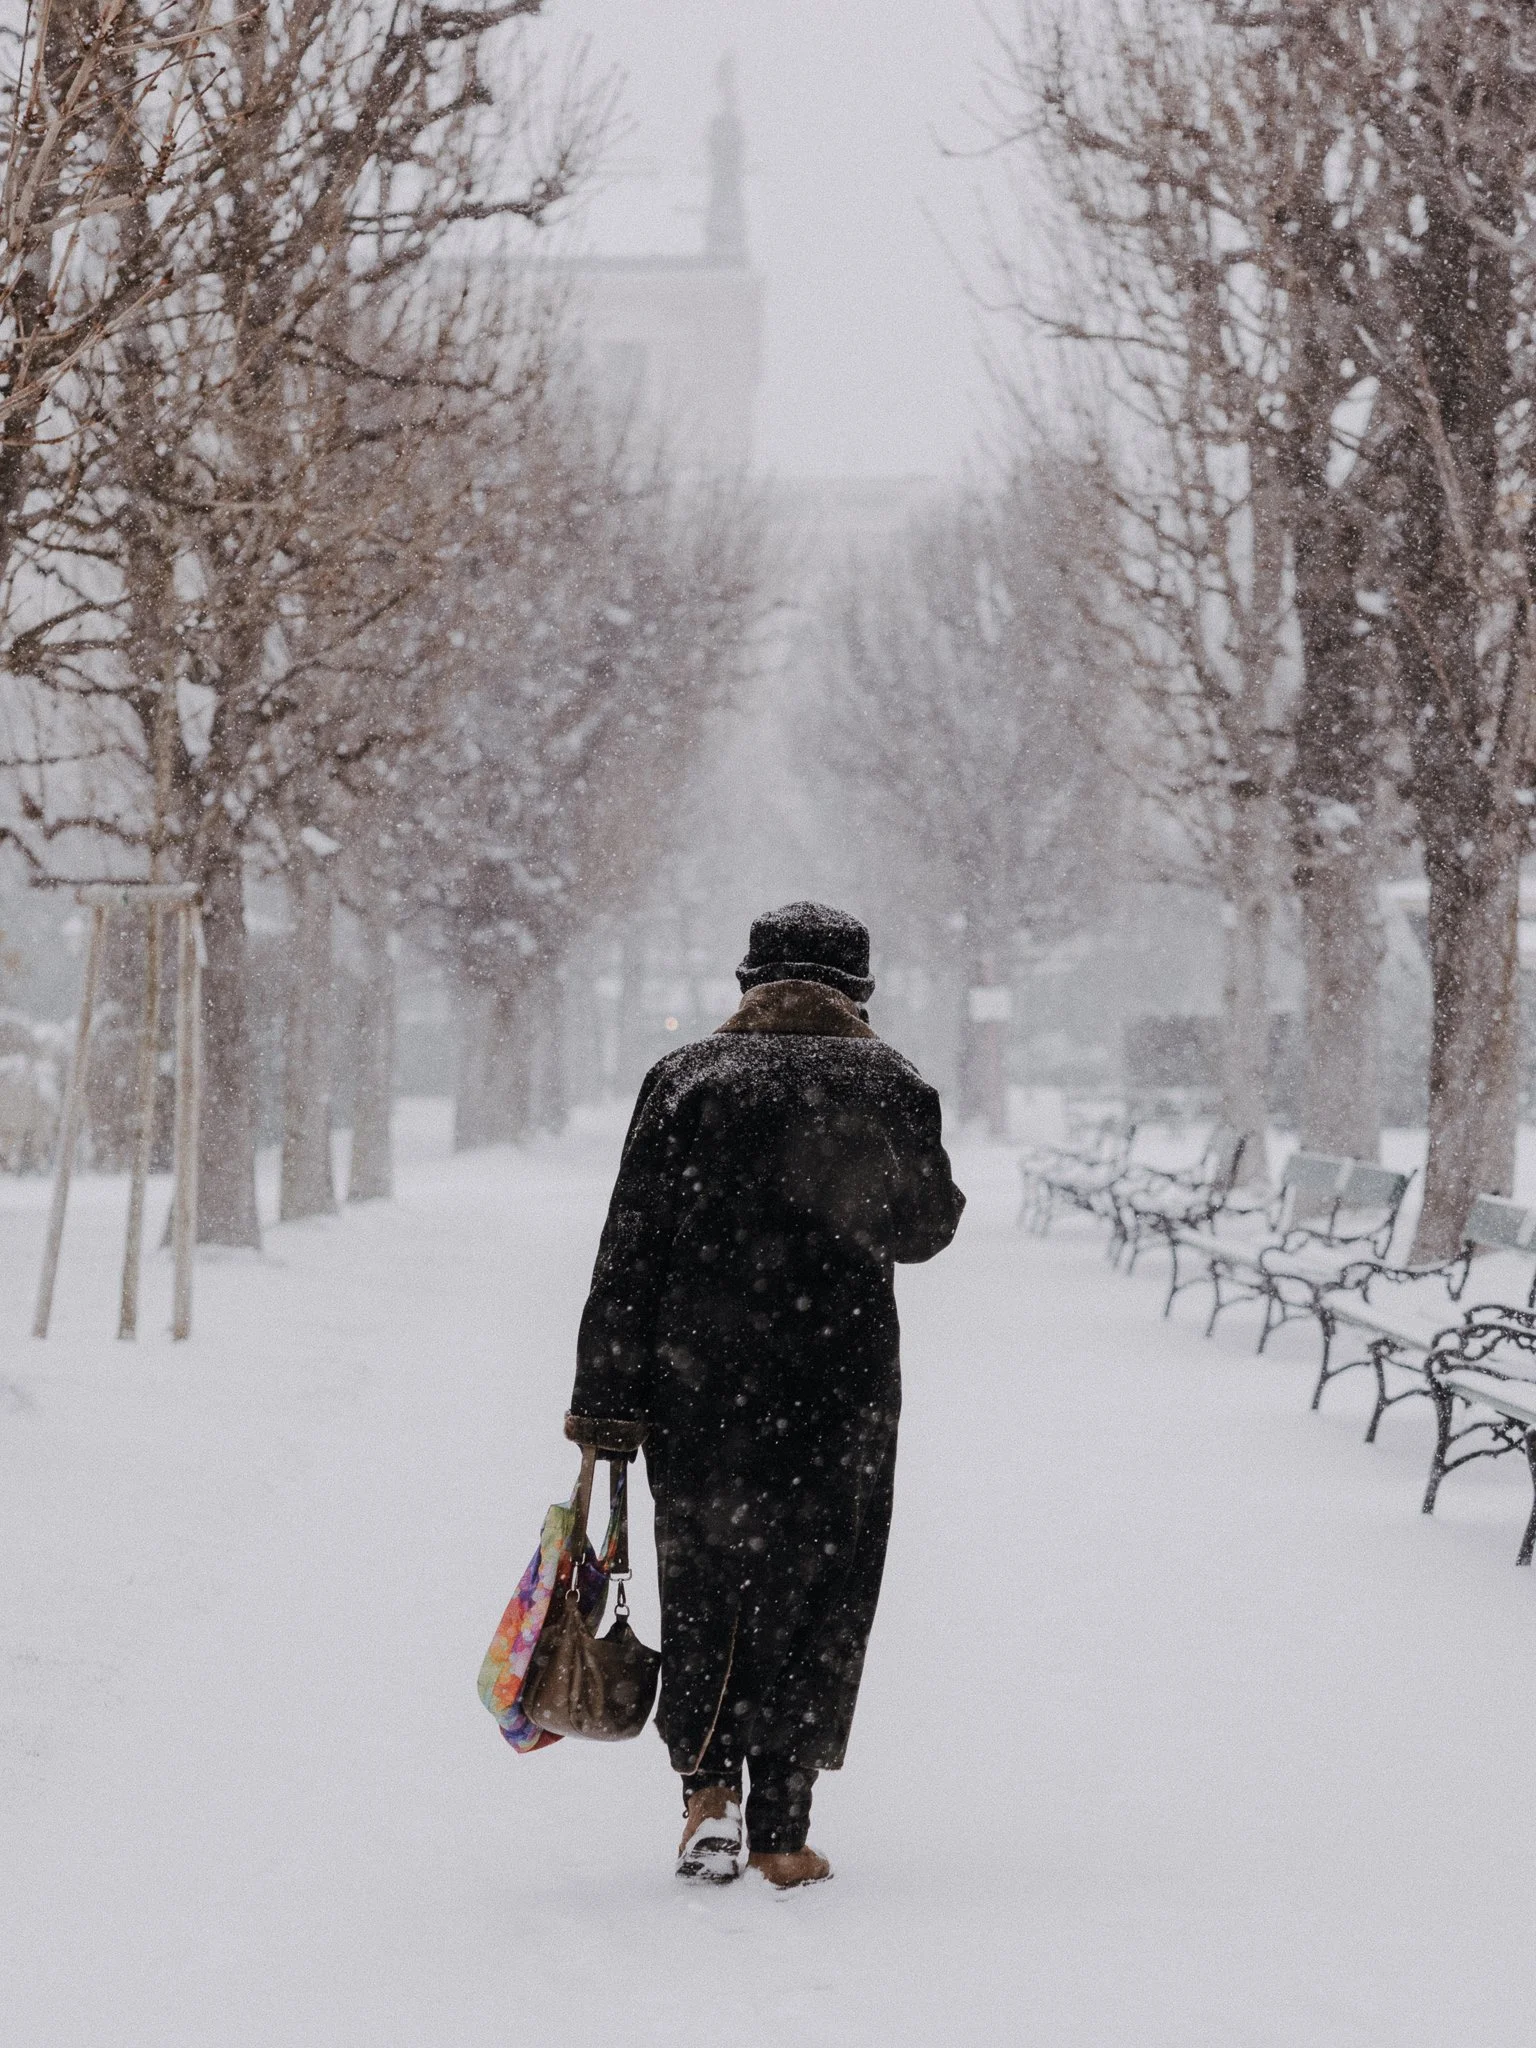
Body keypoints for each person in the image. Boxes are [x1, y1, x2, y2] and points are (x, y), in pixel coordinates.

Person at [566, 902, 965, 1888]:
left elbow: (630, 1249)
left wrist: (606, 1404)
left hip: (699, 1385)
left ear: (748, 981)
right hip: (839, 1385)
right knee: (819, 1589)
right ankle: (784, 1824)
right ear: (858, 992)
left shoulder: (686, 1080)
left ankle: (707, 1790)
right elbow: (924, 1229)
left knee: (708, 1581)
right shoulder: (893, 1083)